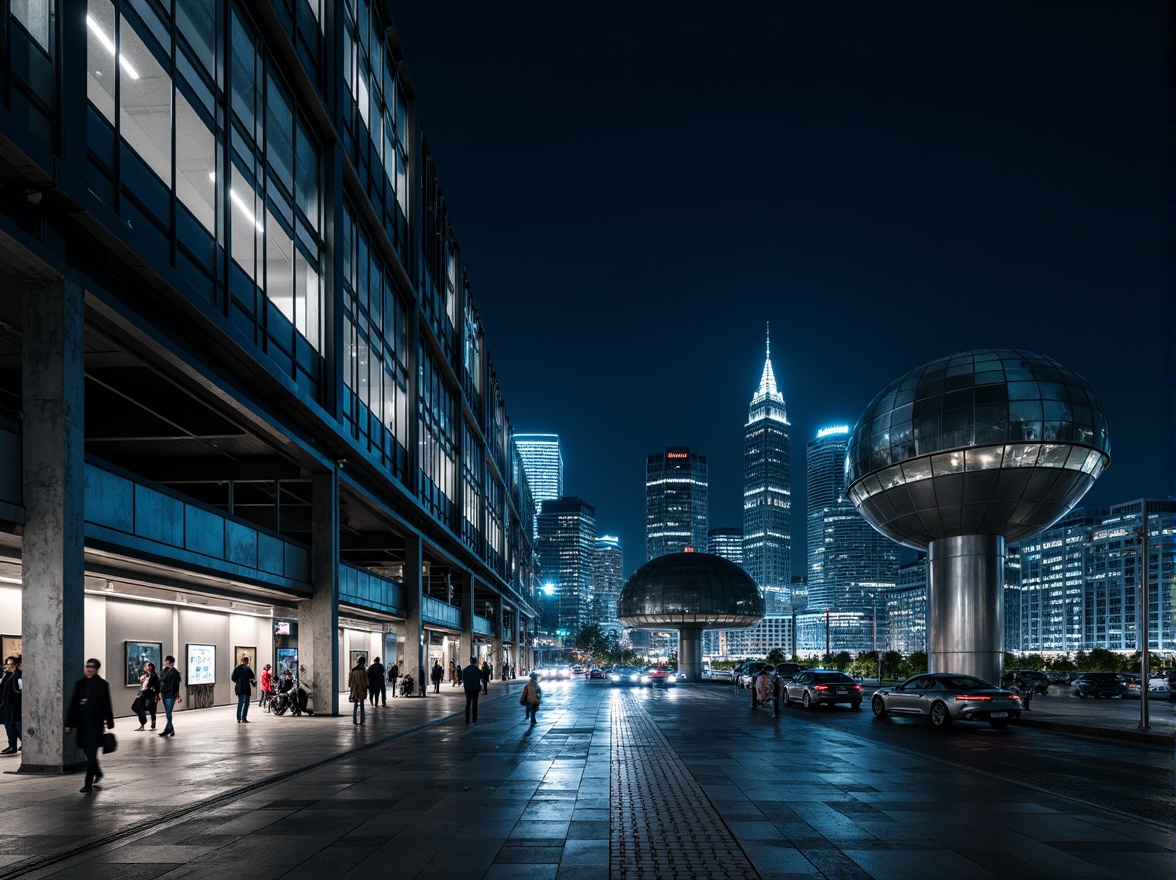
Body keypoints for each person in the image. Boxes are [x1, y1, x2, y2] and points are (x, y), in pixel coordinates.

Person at [65, 658, 114, 793]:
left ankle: (88, 783)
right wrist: (69, 723)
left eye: (92, 667)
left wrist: (109, 721)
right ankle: (98, 772)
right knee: (87, 752)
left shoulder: (102, 685)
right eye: (87, 666)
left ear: (96, 668)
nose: (89, 669)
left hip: (95, 724)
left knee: (91, 754)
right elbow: (73, 705)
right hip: (82, 724)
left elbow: (106, 704)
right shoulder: (79, 684)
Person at [0, 656, 21, 754]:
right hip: (7, 705)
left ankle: (15, 745)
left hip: (14, 706)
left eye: (11, 664)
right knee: (10, 725)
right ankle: (13, 745)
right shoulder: (7, 675)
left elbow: (18, 691)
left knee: (15, 725)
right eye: (7, 664)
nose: (9, 666)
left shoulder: (18, 675)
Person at [158, 655, 181, 737]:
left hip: (171, 694)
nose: (166, 662)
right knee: (168, 713)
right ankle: (169, 729)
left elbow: (177, 685)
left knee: (168, 713)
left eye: (167, 661)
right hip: (164, 693)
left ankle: (169, 729)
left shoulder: (175, 672)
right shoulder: (163, 671)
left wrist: (178, 695)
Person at [230, 655, 256, 723]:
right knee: (246, 703)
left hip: (240, 688)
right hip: (246, 688)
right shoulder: (247, 668)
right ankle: (244, 717)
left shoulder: (237, 668)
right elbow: (252, 677)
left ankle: (239, 718)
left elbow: (233, 678)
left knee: (241, 703)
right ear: (246, 662)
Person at [135, 662, 160, 730]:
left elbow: (156, 686)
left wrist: (157, 695)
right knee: (138, 706)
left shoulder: (154, 675)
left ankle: (153, 721)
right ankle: (144, 721)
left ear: (150, 667)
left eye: (147, 666)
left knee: (151, 708)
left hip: (151, 693)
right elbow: (143, 685)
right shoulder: (146, 675)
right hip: (145, 693)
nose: (145, 667)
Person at [461, 656, 483, 723]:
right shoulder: (478, 670)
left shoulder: (465, 670)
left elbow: (463, 679)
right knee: (475, 703)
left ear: (470, 661)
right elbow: (480, 678)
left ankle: (467, 718)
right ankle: (474, 718)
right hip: (475, 688)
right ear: (476, 662)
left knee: (468, 703)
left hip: (468, 688)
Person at [348, 657, 368, 725]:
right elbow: (367, 682)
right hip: (361, 690)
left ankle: (354, 721)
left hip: (354, 690)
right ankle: (362, 721)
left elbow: (349, 683)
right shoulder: (363, 671)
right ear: (363, 662)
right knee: (362, 706)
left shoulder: (353, 671)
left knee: (355, 706)